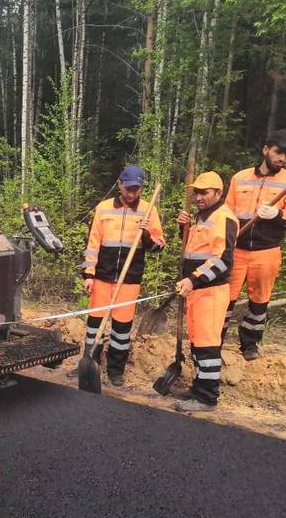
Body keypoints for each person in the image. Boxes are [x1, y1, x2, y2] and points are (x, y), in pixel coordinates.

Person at [81, 165, 166, 386]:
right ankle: (89, 363)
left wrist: (147, 234)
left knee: (122, 327)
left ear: (141, 188)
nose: (131, 193)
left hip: (129, 279)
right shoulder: (103, 208)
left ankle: (116, 370)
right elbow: (92, 244)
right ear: (120, 184)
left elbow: (158, 246)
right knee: (94, 324)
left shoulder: (148, 211)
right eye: (128, 188)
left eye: (136, 189)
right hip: (102, 277)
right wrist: (88, 274)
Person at [172, 171, 238, 413]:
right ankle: (199, 389)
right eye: (196, 192)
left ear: (218, 193)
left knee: (208, 344)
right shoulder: (202, 216)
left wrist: (192, 279)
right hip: (197, 291)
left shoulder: (224, 217)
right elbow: (195, 251)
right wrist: (184, 230)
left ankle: (207, 398)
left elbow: (223, 260)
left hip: (210, 291)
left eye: (204, 192)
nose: (198, 196)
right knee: (198, 342)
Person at [223, 130, 286, 360]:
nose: (282, 158)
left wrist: (277, 215)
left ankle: (250, 344)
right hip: (237, 248)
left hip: (267, 250)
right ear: (266, 149)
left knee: (259, 299)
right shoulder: (240, 178)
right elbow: (227, 212)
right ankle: (215, 340)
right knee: (225, 296)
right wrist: (226, 240)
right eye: (279, 152)